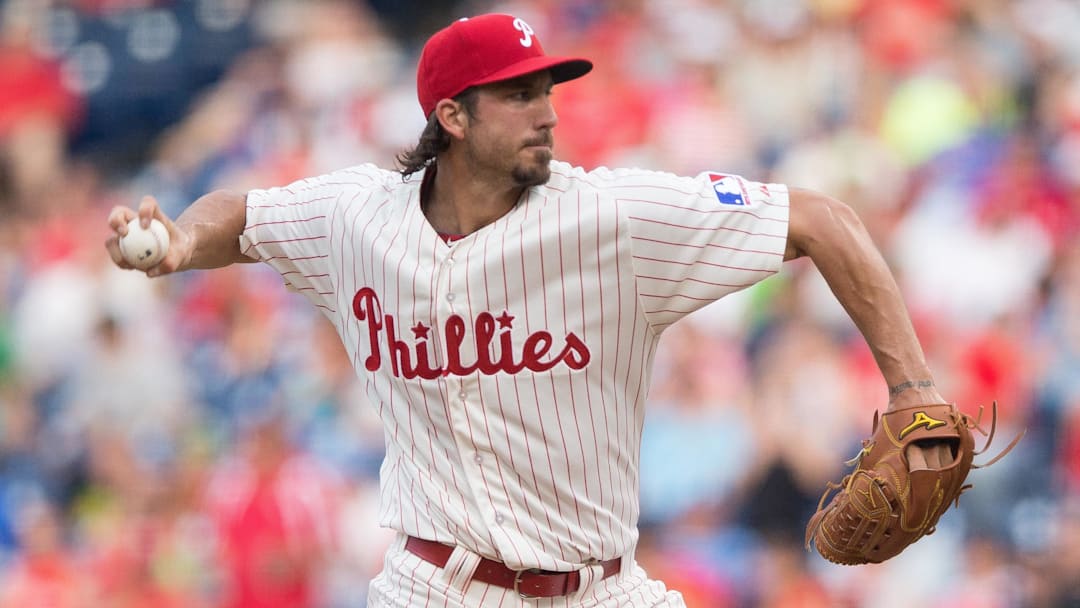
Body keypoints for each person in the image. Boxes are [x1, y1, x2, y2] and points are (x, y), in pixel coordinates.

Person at [105, 13, 952, 608]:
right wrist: (180, 240)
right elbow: (244, 215)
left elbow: (822, 220)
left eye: (547, 88)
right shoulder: (356, 217)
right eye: (517, 95)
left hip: (603, 586)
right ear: (452, 117)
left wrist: (912, 389)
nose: (548, 111)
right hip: (431, 587)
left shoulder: (611, 218)